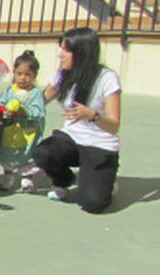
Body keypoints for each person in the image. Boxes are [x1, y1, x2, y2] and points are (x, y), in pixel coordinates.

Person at [33, 27, 121, 212]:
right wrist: (12, 105)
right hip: (71, 138)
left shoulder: (107, 78)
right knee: (43, 153)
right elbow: (39, 101)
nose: (60, 55)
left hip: (100, 144)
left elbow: (113, 125)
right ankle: (64, 180)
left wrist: (92, 115)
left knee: (93, 205)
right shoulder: (61, 75)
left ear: (82, 53)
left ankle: (105, 182)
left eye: (66, 50)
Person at [0, 50, 46, 192]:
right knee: (8, 154)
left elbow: (39, 112)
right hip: (10, 130)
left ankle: (27, 179)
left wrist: (24, 111)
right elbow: (0, 104)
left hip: (27, 130)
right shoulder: (9, 90)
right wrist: (4, 110)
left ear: (34, 75)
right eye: (19, 74)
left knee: (28, 154)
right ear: (14, 73)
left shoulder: (35, 93)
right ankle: (8, 176)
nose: (23, 78)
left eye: (28, 75)